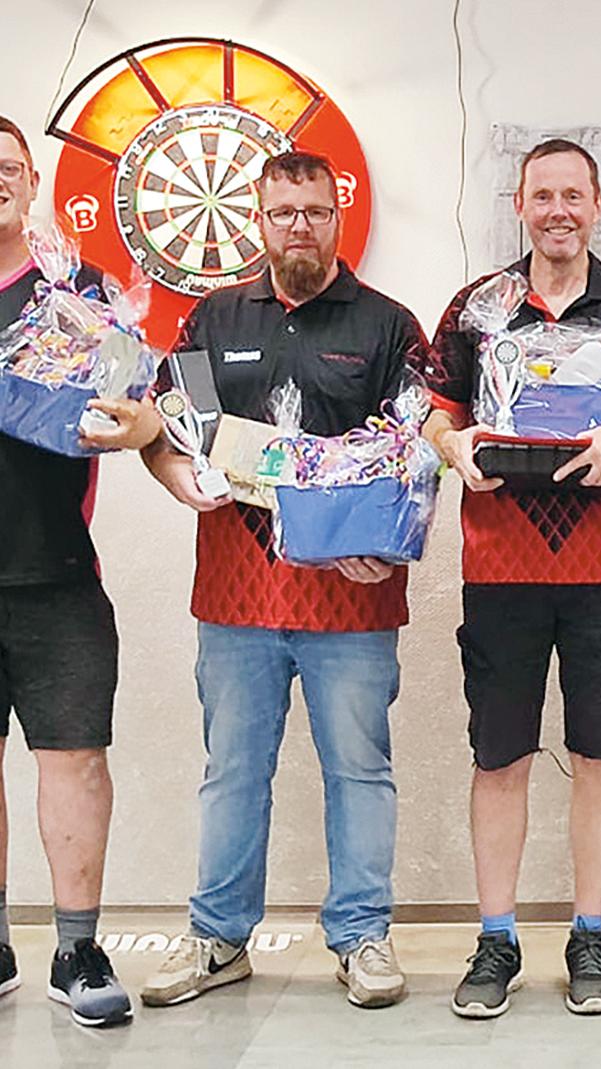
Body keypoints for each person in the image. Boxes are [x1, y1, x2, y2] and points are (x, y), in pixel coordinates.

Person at [139, 150, 429, 1010]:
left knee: (360, 771)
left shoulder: (388, 326)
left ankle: (362, 936)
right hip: (236, 596)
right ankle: (219, 937)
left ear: (338, 217)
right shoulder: (212, 319)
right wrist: (175, 477)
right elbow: (164, 425)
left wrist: (388, 538)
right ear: (258, 221)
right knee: (232, 770)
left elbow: (416, 453)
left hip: (353, 596)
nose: (299, 226)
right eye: (283, 213)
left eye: (314, 211)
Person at [423, 138, 601, 1018]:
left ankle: (590, 934)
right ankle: (496, 937)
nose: (559, 210)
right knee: (499, 756)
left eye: (574, 195)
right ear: (520, 205)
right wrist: (452, 444)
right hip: (501, 566)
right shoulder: (478, 307)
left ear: (597, 204)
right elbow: (436, 414)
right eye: (543, 195)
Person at [0, 115, 161, 1028]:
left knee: (75, 758)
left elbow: (139, 412)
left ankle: (76, 947)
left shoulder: (83, 293)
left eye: (8, 167)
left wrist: (134, 426)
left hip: (57, 570)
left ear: (32, 182)